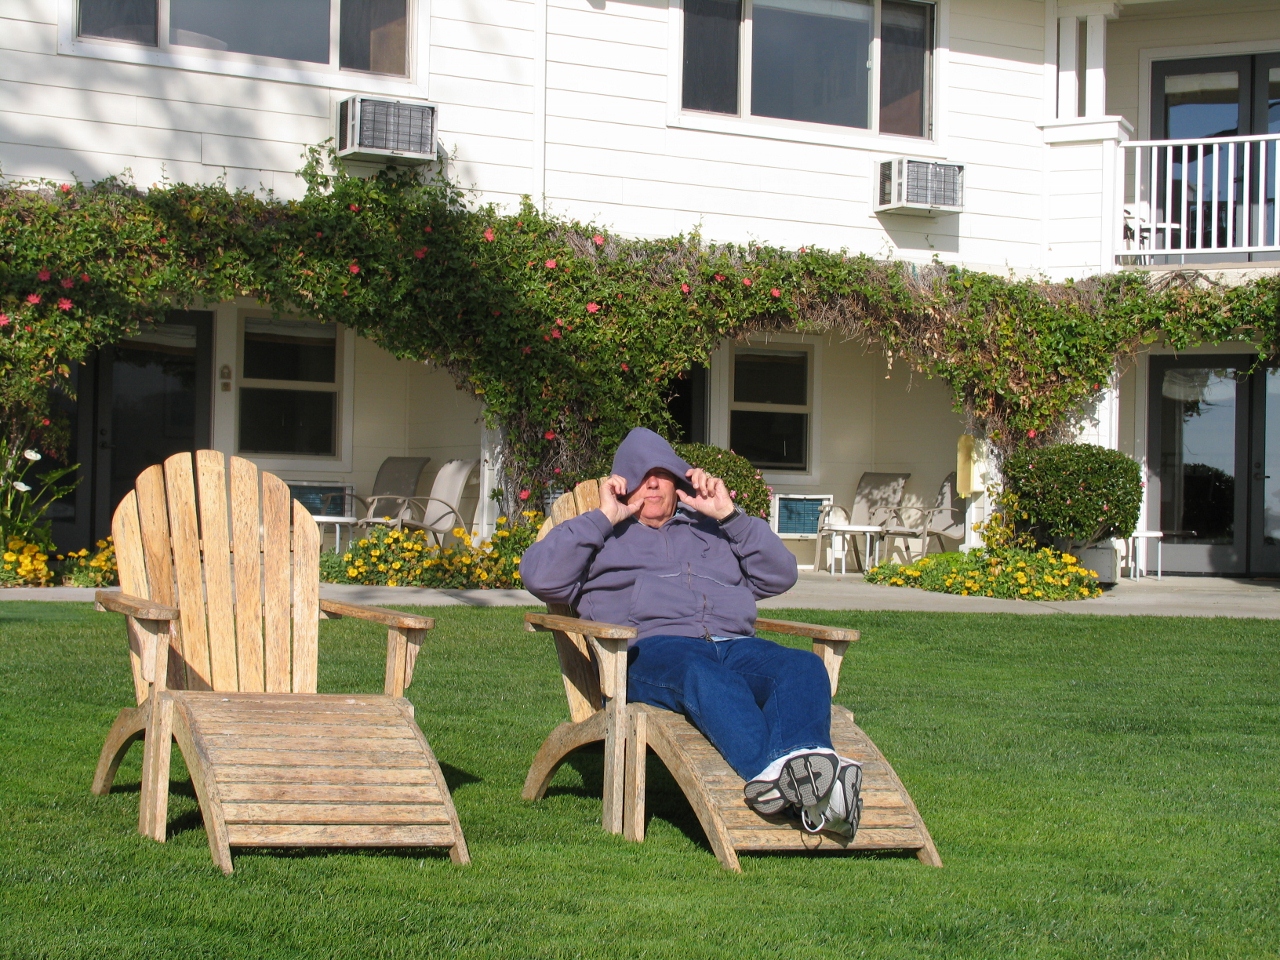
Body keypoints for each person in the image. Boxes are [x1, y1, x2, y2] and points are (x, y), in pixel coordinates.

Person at [521, 427, 862, 836]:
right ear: (622, 485)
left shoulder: (712, 530)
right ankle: (789, 779)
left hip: (735, 646)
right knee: (703, 675)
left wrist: (729, 517)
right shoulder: (602, 537)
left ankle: (807, 767)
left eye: (662, 473)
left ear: (678, 480)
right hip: (652, 653)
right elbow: (540, 577)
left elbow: (781, 574)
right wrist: (603, 517)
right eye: (641, 474)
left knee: (803, 668)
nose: (652, 482)